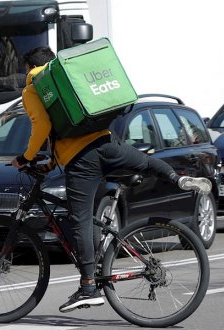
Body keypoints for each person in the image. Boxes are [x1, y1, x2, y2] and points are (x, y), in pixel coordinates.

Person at [11, 46, 212, 313]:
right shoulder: (65, 81)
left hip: (82, 161)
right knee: (147, 162)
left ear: (28, 67)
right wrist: (48, 165)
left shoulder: (33, 87)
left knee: (79, 219)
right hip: (107, 144)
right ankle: (176, 178)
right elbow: (62, 133)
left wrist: (26, 157)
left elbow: (43, 127)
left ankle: (88, 286)